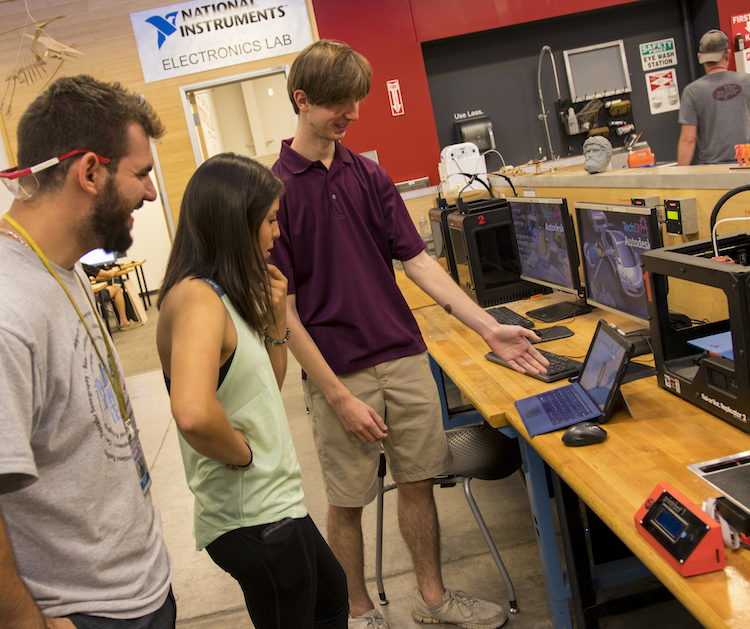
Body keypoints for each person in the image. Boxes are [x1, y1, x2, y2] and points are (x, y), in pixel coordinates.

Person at [269, 40, 549, 629]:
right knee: (347, 501)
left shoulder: (368, 175)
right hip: (338, 371)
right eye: (339, 105)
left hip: (403, 356)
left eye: (356, 102)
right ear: (302, 100)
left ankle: (433, 600)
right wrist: (338, 396)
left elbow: (417, 261)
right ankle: (360, 611)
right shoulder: (274, 192)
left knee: (419, 484)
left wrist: (488, 327)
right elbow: (284, 312)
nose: (352, 115)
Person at [0, 76, 174, 628]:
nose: (151, 193)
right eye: (142, 173)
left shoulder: (60, 268)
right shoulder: (8, 308)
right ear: (91, 172)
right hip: (82, 610)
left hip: (137, 585)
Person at [156, 153, 348, 629]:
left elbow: (264, 390)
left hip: (274, 502)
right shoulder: (196, 298)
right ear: (234, 224)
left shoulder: (224, 295)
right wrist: (242, 456)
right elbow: (195, 414)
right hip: (250, 514)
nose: (275, 234)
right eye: (268, 221)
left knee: (331, 597)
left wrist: (275, 321)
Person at [677, 29, 750, 165]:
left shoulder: (692, 91)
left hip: (712, 171)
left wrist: (679, 179)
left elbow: (689, 139)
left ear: (700, 57)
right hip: (746, 165)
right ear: (728, 54)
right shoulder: (747, 81)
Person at [81, 263, 142, 330]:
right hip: (91, 296)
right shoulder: (82, 267)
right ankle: (124, 322)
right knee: (117, 289)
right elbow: (110, 274)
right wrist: (115, 269)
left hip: (80, 300)